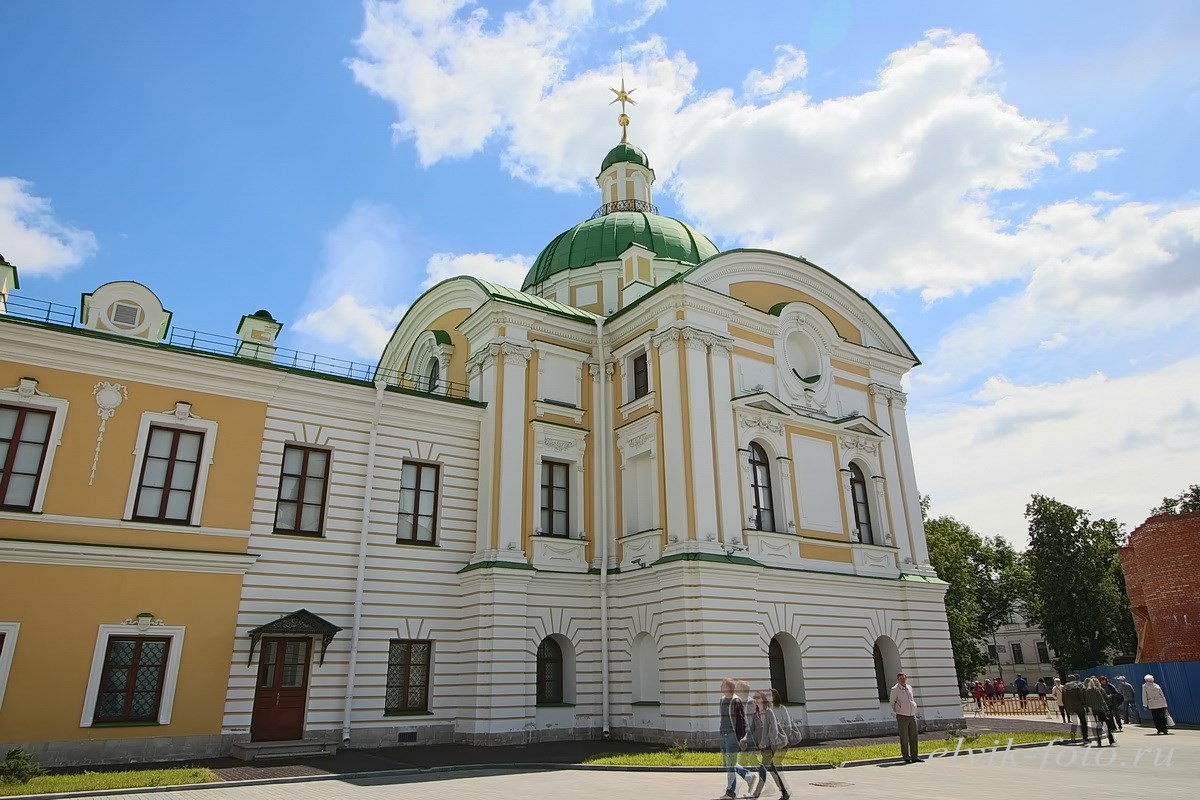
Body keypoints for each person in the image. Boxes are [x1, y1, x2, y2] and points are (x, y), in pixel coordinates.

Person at [741, 690, 790, 800]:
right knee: (772, 770)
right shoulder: (756, 714)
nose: (755, 699)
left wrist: (768, 742)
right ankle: (784, 792)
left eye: (758, 697)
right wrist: (745, 739)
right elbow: (751, 730)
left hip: (770, 746)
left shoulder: (769, 712)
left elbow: (774, 729)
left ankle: (756, 794)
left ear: (763, 700)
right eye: (754, 697)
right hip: (762, 746)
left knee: (763, 769)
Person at [717, 678, 750, 799]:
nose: (720, 686)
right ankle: (748, 776)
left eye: (722, 685)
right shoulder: (721, 700)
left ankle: (730, 792)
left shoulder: (736, 701)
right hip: (723, 735)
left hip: (732, 736)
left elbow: (741, 721)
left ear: (728, 687)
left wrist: (741, 738)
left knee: (730, 765)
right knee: (728, 763)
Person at [889, 672, 922, 764]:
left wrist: (914, 706)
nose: (902, 680)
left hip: (912, 715)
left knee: (914, 736)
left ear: (906, 678)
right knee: (904, 737)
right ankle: (906, 757)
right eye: (900, 678)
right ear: (898, 679)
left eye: (903, 678)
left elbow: (911, 699)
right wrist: (898, 709)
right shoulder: (895, 689)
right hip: (902, 715)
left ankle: (915, 756)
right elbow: (892, 702)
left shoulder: (909, 687)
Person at [735, 680, 761, 795]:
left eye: (737, 688)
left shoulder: (750, 703)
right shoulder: (740, 701)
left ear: (742, 690)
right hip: (742, 738)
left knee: (736, 762)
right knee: (742, 762)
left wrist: (745, 738)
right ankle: (751, 787)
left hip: (749, 739)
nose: (735, 689)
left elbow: (749, 724)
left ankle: (752, 785)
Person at [1084, 676, 1116, 746]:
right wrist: (1107, 709)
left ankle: (1099, 741)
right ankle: (1111, 740)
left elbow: (1087, 702)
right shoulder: (1098, 690)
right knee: (1107, 725)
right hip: (1101, 710)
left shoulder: (1087, 691)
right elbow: (1102, 701)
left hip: (1094, 710)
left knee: (1097, 726)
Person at [1062, 674, 1088, 743]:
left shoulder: (1064, 687)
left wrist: (1066, 707)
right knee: (1083, 722)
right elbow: (1081, 697)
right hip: (1079, 706)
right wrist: (1085, 706)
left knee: (1074, 723)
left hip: (1070, 708)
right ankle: (1085, 738)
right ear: (1075, 679)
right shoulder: (1078, 686)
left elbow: (1063, 699)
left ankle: (1072, 737)